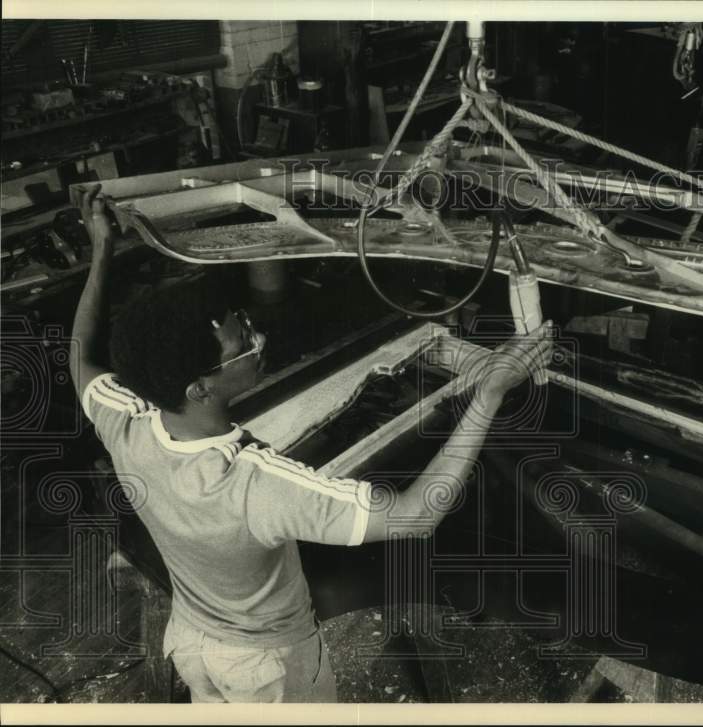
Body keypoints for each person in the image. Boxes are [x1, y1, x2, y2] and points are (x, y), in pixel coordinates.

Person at [70, 184, 553, 703]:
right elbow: (415, 515)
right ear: (200, 388)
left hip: (192, 641)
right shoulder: (254, 483)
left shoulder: (128, 423)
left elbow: (80, 355)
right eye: (242, 342)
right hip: (268, 667)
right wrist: (489, 391)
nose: (257, 339)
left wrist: (101, 250)